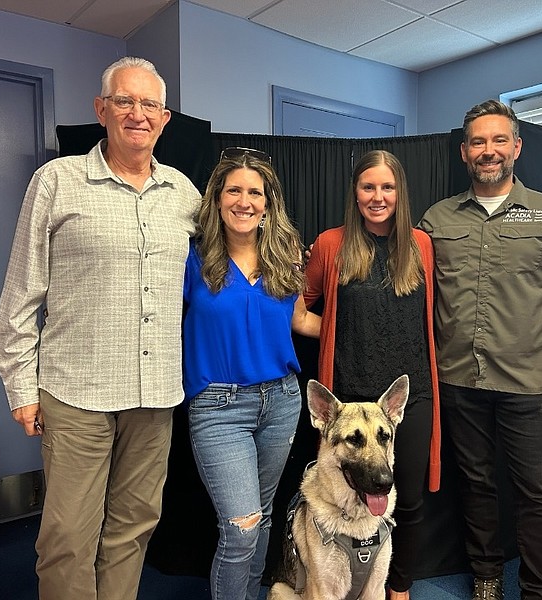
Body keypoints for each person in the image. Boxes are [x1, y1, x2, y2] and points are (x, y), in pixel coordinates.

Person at [0, 57, 201, 600]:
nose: (137, 113)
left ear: (165, 117)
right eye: (125, 101)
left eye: (149, 104)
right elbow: (22, 291)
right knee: (66, 536)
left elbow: (227, 263)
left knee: (133, 529)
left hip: (154, 396)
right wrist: (20, 386)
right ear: (101, 109)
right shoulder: (57, 181)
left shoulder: (184, 194)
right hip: (76, 392)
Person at [418, 100, 542, 600]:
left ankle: (539, 589)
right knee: (475, 486)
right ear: (463, 152)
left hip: (528, 384)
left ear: (517, 148)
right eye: (478, 141)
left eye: (499, 140)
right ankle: (485, 577)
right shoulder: (437, 219)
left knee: (533, 495)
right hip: (459, 380)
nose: (489, 150)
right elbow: (406, 281)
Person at [182, 147, 321, 600]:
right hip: (218, 407)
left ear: (268, 203)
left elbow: (300, 320)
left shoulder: (286, 259)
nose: (245, 201)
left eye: (255, 192)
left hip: (281, 402)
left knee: (261, 516)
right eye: (234, 190)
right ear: (217, 199)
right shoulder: (192, 260)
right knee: (240, 527)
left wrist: (364, 327)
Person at [303, 150, 441, 600]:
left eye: (387, 187)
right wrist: (334, 333)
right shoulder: (330, 245)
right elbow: (299, 306)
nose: (377, 197)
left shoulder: (420, 245)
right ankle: (339, 584)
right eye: (368, 187)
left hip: (407, 396)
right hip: (346, 396)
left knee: (409, 500)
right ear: (355, 193)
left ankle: (396, 590)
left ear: (399, 192)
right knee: (344, 496)